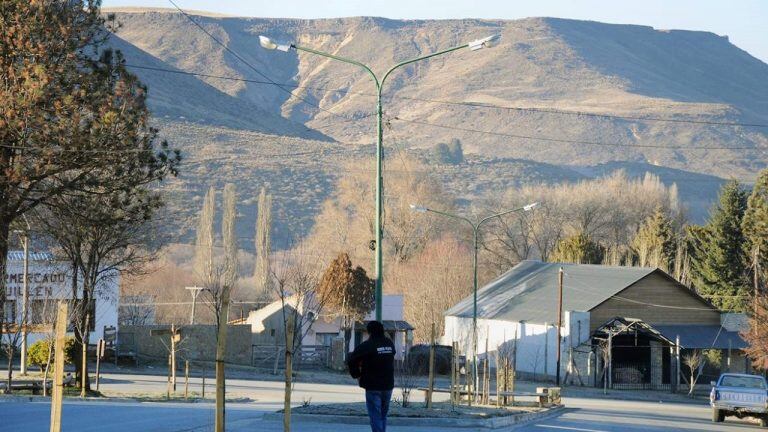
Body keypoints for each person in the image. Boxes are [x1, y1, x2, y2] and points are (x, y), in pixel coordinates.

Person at [347, 320, 396, 432]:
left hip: (373, 385)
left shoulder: (367, 345)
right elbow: (392, 354)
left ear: (369, 332)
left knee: (375, 415)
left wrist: (357, 375)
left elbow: (352, 360)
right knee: (383, 415)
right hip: (388, 385)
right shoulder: (389, 343)